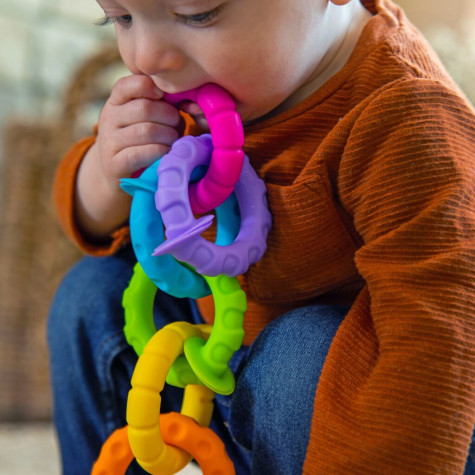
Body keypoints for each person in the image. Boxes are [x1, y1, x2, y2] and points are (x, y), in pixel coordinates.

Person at [48, 0, 475, 473]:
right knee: (89, 293)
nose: (146, 57)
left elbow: (436, 349)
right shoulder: (192, 90)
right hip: (213, 372)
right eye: (121, 18)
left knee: (300, 349)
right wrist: (109, 173)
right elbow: (90, 221)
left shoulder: (409, 118)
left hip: (367, 423)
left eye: (198, 13)